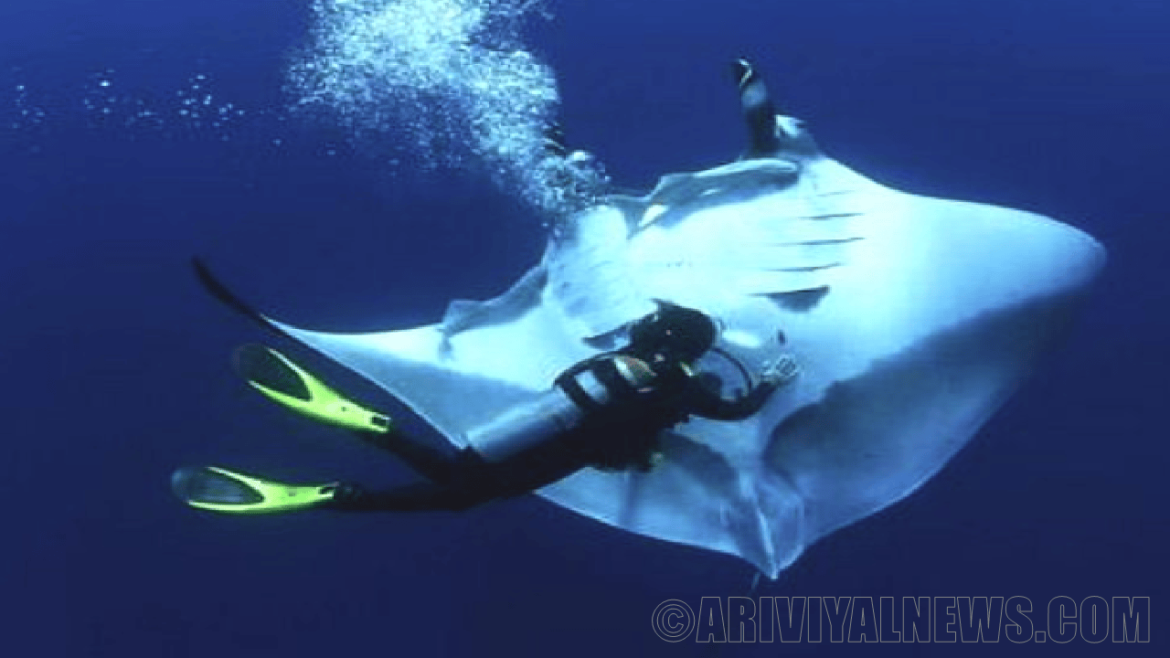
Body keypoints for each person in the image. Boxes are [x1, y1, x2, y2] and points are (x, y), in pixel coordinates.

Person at [172, 301, 799, 514]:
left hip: (520, 429)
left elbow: (569, 377)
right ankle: (346, 487)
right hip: (545, 454)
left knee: (457, 478)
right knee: (459, 495)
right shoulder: (683, 388)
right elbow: (738, 413)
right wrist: (770, 382)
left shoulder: (624, 360)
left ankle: (369, 432)